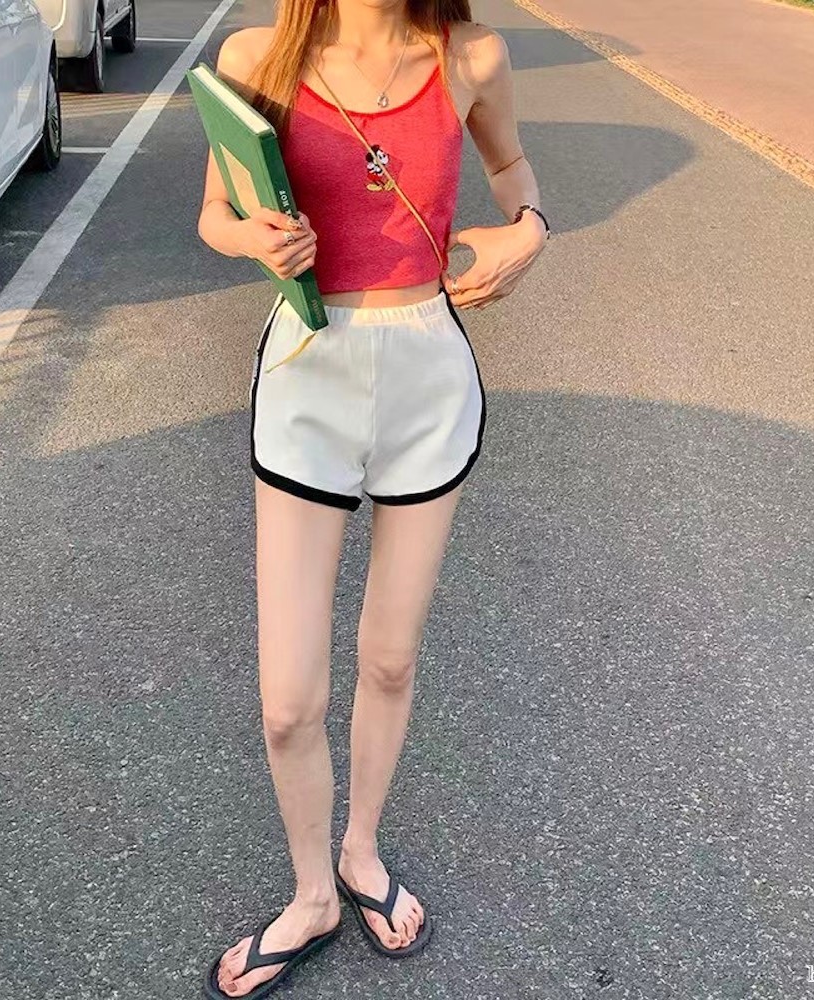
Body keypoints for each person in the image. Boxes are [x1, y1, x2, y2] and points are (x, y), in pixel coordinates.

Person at [197, 1, 548, 996]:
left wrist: (530, 230)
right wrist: (252, 240)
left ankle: (358, 853)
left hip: (426, 374)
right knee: (287, 703)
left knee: (390, 659)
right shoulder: (258, 55)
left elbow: (514, 170)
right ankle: (310, 895)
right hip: (309, 375)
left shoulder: (472, 54)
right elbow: (214, 212)